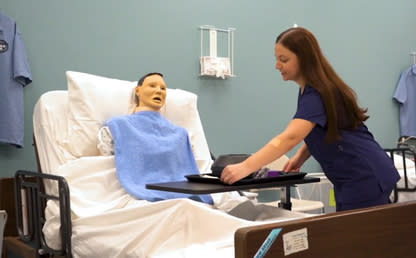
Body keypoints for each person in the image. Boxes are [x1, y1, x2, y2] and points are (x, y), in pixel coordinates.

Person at [220, 27, 400, 211]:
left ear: (304, 59)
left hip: (364, 175)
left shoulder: (317, 94)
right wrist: (301, 156)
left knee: (356, 237)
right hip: (359, 174)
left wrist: (245, 167)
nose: (277, 65)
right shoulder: (311, 90)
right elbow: (321, 127)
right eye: (276, 59)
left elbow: (289, 138)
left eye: (283, 59)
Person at [98, 72, 213, 204]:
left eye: (163, 88)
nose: (159, 91)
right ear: (137, 91)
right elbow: (102, 167)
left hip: (185, 195)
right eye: (152, 85)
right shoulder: (118, 126)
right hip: (139, 192)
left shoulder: (180, 134)